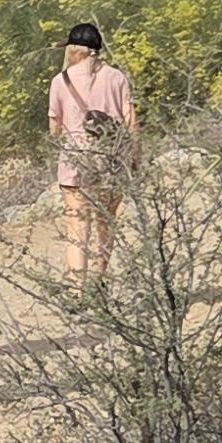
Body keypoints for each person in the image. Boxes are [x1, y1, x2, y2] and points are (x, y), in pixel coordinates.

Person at [48, 22, 135, 276]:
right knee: (105, 222)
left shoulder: (60, 81)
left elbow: (54, 127)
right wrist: (135, 157)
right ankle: (100, 278)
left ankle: (78, 290)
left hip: (75, 161)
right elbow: (131, 121)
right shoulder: (117, 77)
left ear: (73, 50)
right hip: (111, 159)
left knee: (77, 226)